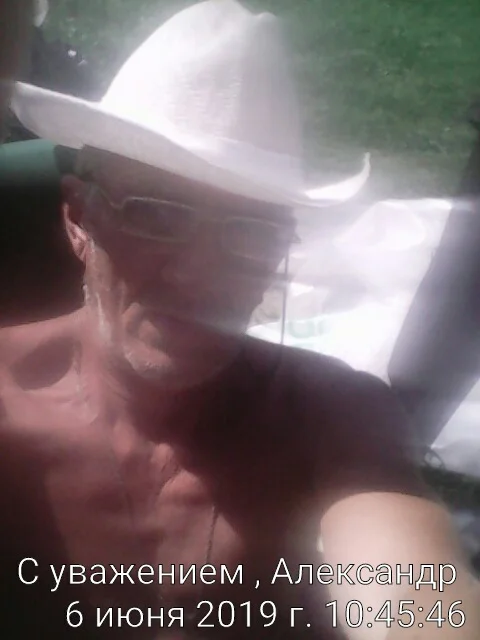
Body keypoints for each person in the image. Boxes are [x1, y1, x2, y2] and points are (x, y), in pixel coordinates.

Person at [1, 1, 479, 639]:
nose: (200, 272)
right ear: (79, 219)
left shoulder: (334, 419)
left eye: (252, 232)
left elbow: (413, 600)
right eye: (156, 213)